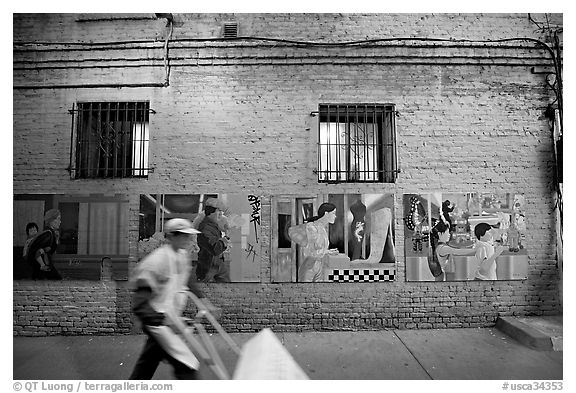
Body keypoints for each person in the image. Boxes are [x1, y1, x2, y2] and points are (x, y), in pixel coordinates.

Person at [129, 218, 217, 380]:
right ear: (171, 236)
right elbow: (140, 303)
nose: (189, 240)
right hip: (157, 321)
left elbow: (187, 278)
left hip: (168, 318)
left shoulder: (182, 255)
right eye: (184, 236)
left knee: (147, 364)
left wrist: (204, 301)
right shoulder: (156, 261)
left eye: (189, 236)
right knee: (186, 365)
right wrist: (164, 321)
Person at [298, 202, 339, 282]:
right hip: (309, 267)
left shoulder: (322, 229)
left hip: (319, 267)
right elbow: (309, 252)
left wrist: (328, 251)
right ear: (326, 213)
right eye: (333, 213)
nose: (335, 216)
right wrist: (327, 252)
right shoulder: (311, 227)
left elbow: (320, 249)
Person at [196, 198, 231, 283]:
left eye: (221, 212)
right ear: (210, 212)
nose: (221, 214)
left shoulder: (213, 226)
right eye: (218, 211)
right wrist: (226, 238)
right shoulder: (206, 228)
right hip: (209, 266)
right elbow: (215, 248)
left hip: (216, 264)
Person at [26, 209, 62, 280]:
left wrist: (56, 240)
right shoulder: (47, 234)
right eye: (58, 219)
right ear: (51, 220)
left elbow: (51, 250)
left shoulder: (51, 233)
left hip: (43, 264)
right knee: (56, 279)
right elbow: (37, 250)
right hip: (42, 264)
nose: (60, 222)